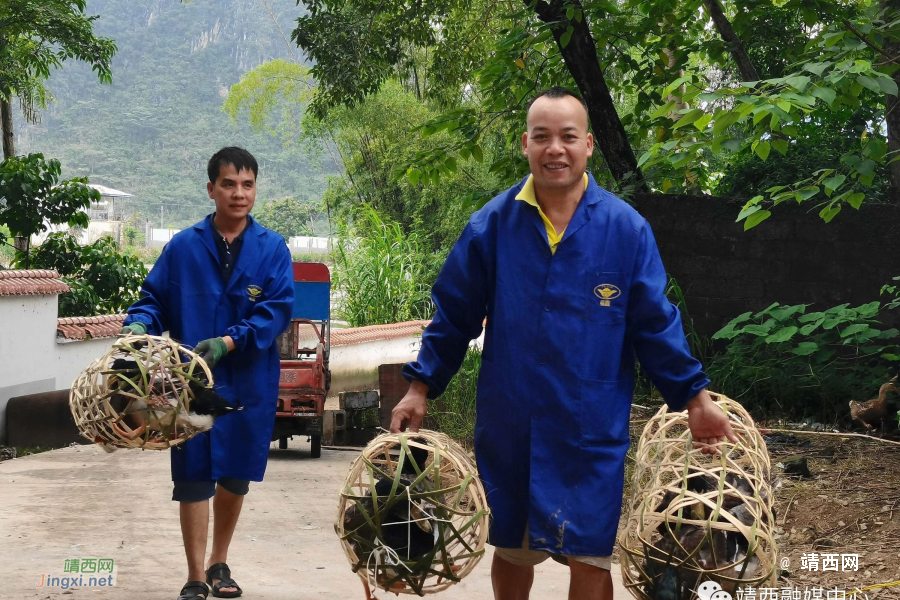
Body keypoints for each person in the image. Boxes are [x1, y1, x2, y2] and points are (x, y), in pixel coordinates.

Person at [390, 88, 737, 600]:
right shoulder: (493, 225)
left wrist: (695, 399)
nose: (556, 149)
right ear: (524, 144)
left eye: (568, 137)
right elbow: (454, 313)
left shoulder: (624, 229)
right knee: (512, 548)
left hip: (589, 425)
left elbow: (655, 323)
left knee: (591, 555)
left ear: (589, 145)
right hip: (513, 421)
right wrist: (419, 387)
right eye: (543, 137)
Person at [120, 147, 294, 600]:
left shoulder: (273, 249)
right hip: (191, 382)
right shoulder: (182, 247)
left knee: (235, 472)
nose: (239, 194)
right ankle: (195, 574)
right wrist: (139, 323)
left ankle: (220, 562)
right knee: (193, 473)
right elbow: (153, 298)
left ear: (256, 189)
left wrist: (229, 341)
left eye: (248, 184)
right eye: (230, 184)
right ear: (211, 188)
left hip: (249, 378)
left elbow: (276, 310)